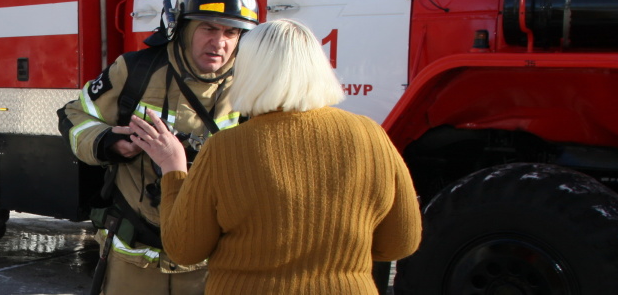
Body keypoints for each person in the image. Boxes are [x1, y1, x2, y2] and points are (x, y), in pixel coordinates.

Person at [119, 18, 423, 294]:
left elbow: (185, 248)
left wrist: (174, 169)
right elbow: (402, 241)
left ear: (250, 72)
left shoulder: (226, 148)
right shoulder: (372, 136)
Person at [57, 0, 259, 295]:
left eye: (230, 32)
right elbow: (74, 115)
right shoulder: (136, 70)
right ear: (181, 26)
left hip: (207, 263)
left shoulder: (252, 87)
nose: (218, 43)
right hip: (132, 258)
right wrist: (108, 142)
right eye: (207, 28)